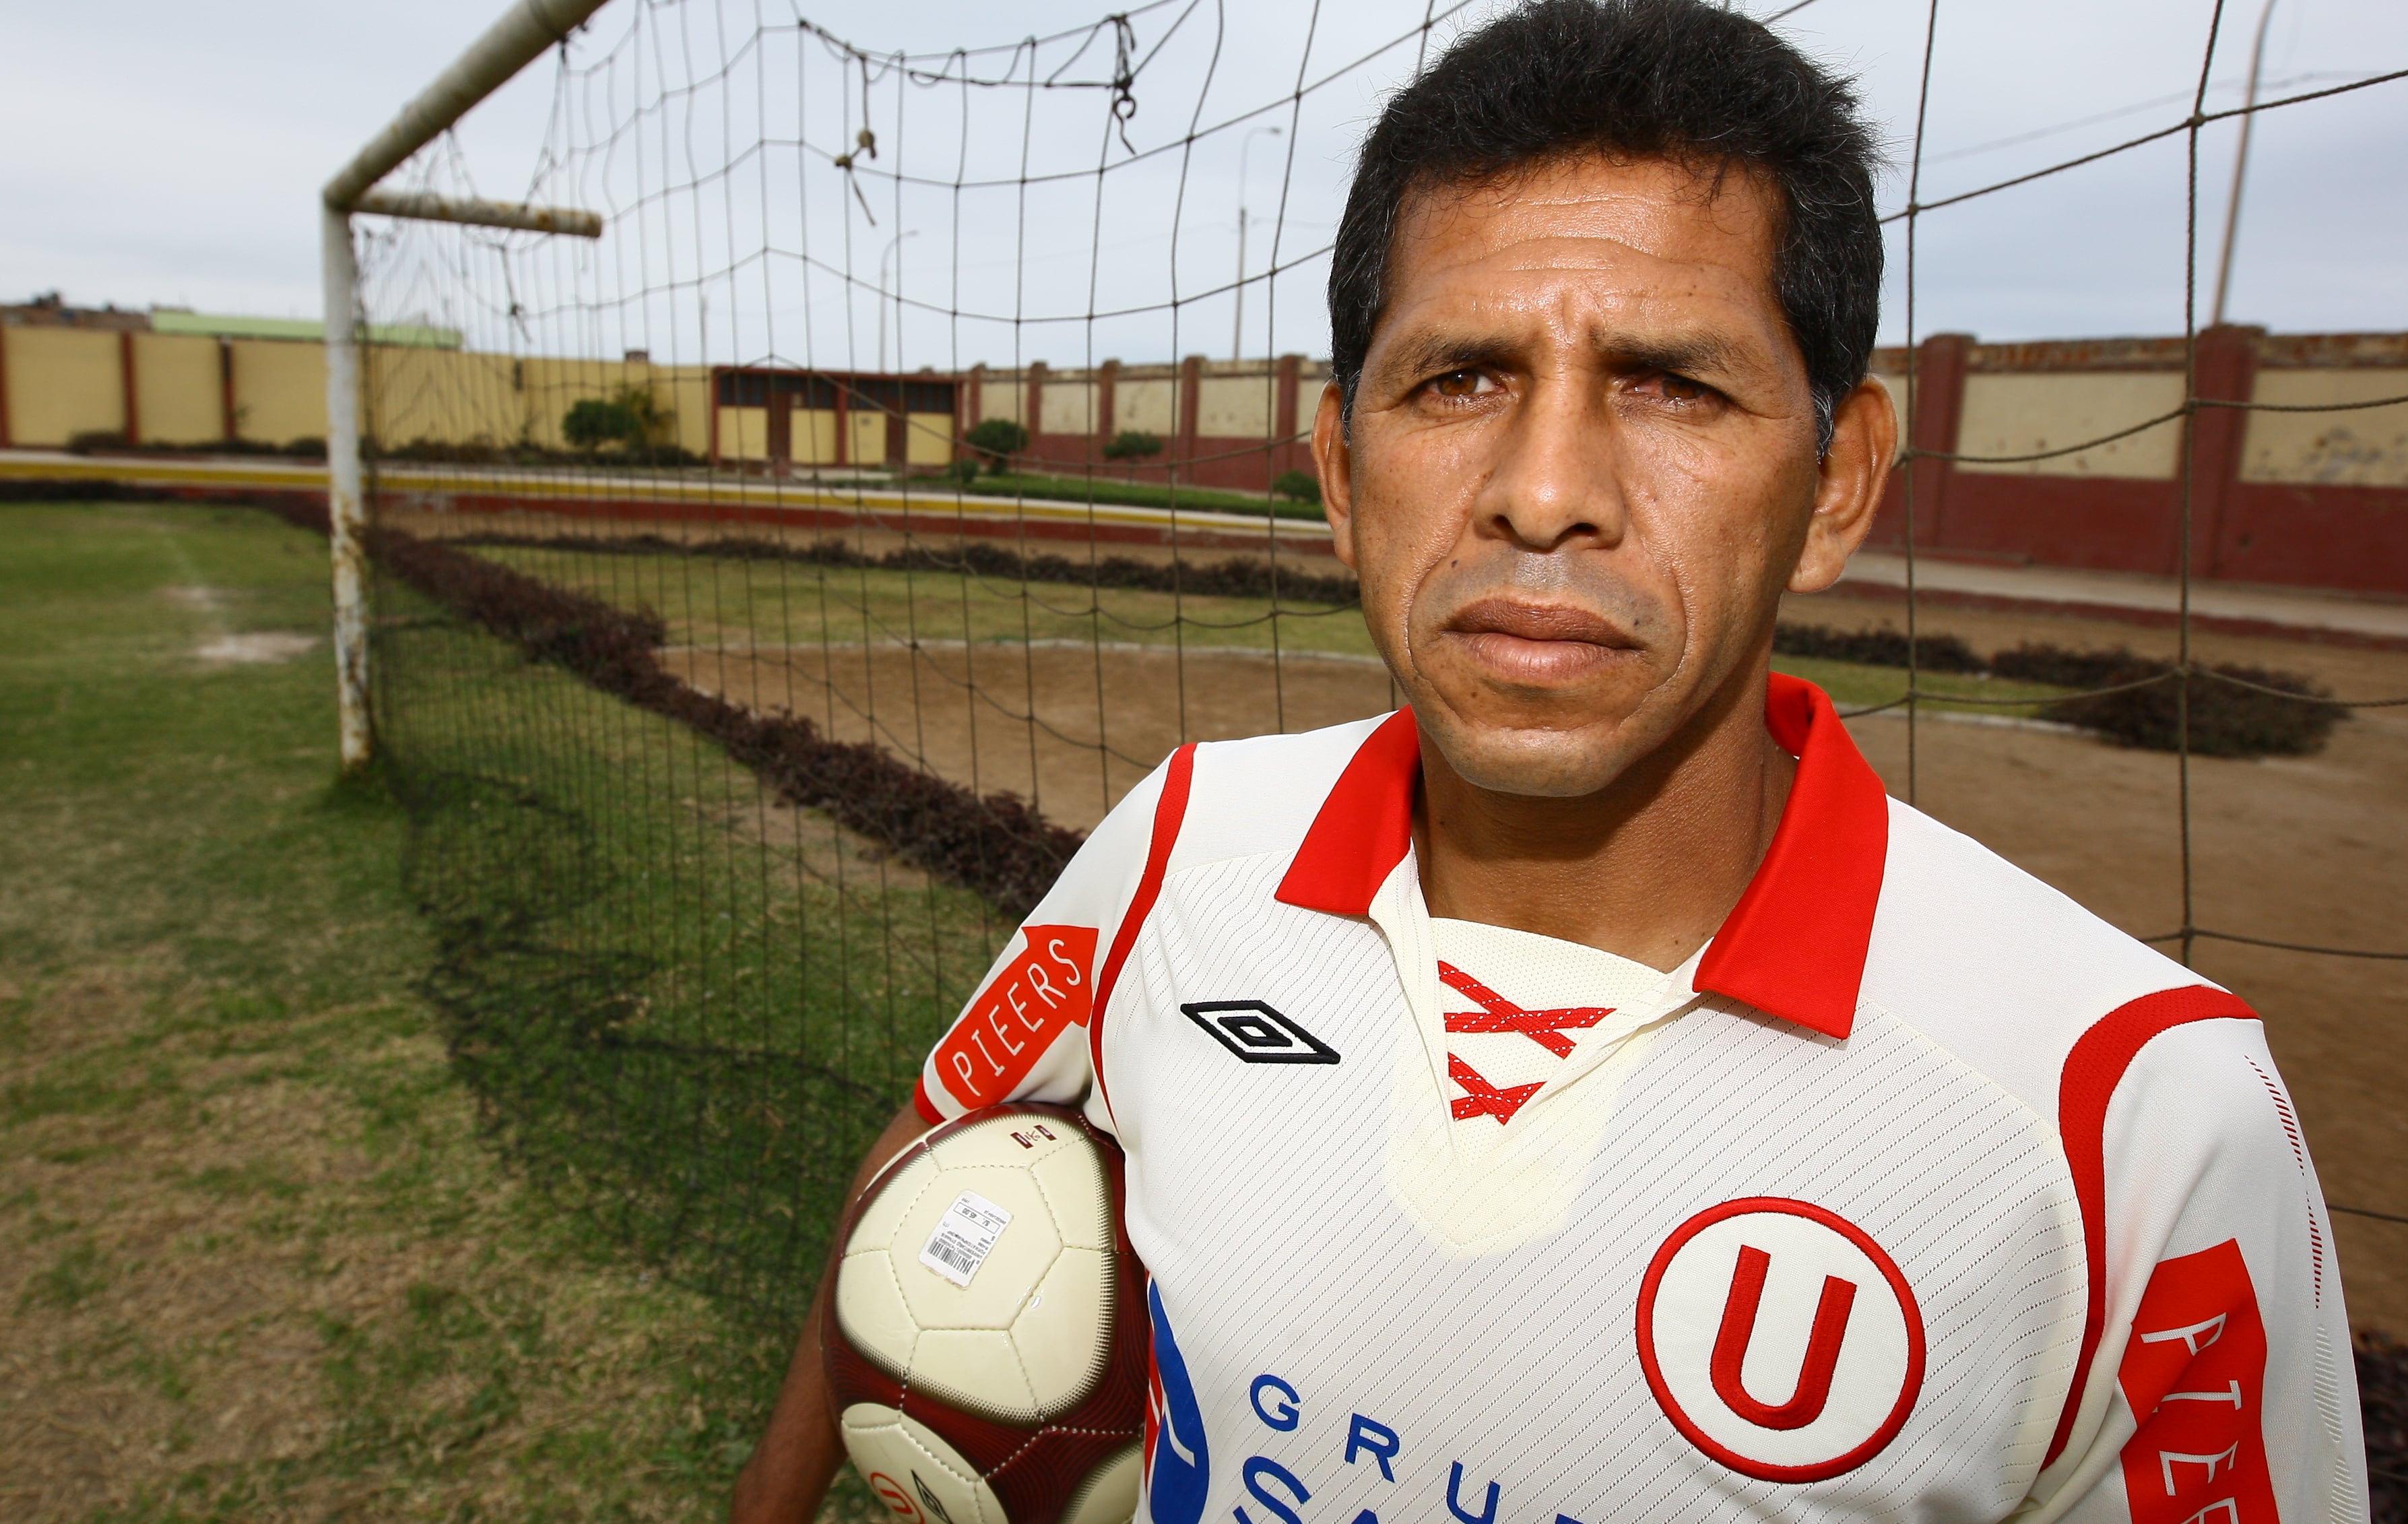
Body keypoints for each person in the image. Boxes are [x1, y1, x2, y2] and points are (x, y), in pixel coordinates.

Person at [734, 0, 2368, 1519]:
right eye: (1459, 380)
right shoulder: (1187, 843)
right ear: (1340, 472)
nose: (1544, 491)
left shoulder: (2136, 1120)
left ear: (1839, 485)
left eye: (1672, 385)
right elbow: (915, 1164)